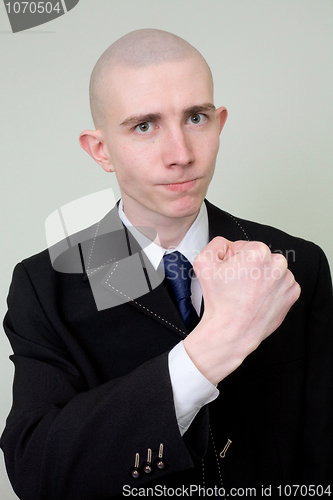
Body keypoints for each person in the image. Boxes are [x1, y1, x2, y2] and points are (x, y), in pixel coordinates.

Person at [1, 28, 332, 500]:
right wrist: (213, 348)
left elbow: (321, 452)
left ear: (219, 123)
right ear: (100, 150)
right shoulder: (44, 285)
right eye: (144, 125)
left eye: (195, 118)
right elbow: (38, 474)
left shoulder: (299, 264)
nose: (181, 155)